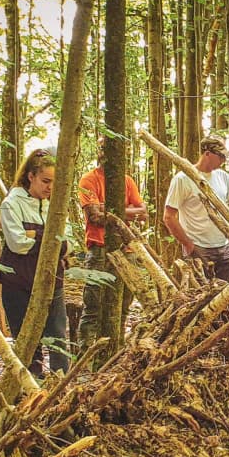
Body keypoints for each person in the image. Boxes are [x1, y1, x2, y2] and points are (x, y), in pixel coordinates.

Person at [0, 148, 71, 378]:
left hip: (52, 280)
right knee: (26, 338)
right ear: (31, 176)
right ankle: (31, 388)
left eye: (54, 182)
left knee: (58, 335)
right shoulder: (12, 202)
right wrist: (49, 237)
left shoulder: (55, 206)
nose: (50, 187)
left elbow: (68, 245)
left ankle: (61, 384)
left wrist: (33, 234)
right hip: (18, 281)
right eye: (45, 181)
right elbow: (17, 244)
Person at [79, 136, 145, 345]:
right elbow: (95, 217)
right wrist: (124, 213)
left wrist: (112, 209)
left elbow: (143, 213)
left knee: (123, 307)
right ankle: (86, 361)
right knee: (93, 309)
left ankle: (115, 351)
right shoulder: (89, 180)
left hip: (127, 249)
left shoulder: (127, 181)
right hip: (99, 249)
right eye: (103, 149)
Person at [163, 135, 229, 281]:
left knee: (227, 293)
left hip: (224, 246)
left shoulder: (223, 177)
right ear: (207, 153)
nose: (223, 160)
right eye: (220, 156)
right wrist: (188, 244)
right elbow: (169, 216)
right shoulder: (183, 179)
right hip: (199, 247)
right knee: (201, 294)